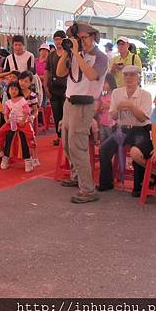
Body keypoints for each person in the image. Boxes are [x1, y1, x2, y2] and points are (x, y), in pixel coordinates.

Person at [56, 22, 108, 204]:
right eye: (78, 38)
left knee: (78, 146)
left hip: (85, 104)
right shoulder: (74, 54)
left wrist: (77, 54)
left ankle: (88, 189)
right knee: (67, 144)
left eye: (84, 37)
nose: (81, 41)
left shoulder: (100, 57)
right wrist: (66, 52)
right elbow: (60, 72)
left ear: (93, 36)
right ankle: (76, 175)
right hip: (69, 102)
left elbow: (92, 75)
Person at [97, 66, 152, 193]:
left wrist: (131, 106)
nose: (129, 78)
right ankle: (106, 182)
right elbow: (113, 116)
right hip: (121, 129)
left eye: (132, 75)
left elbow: (143, 118)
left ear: (138, 77)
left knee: (137, 150)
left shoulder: (146, 95)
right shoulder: (117, 92)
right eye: (126, 75)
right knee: (104, 148)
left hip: (140, 129)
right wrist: (119, 109)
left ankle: (139, 186)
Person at [0, 81, 36, 172]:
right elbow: (6, 113)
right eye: (11, 89)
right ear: (8, 90)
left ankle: (30, 158)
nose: (13, 91)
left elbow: (27, 111)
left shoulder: (22, 100)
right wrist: (7, 120)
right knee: (1, 132)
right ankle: (0, 152)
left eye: (16, 89)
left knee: (29, 135)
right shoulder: (8, 102)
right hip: (12, 122)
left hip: (23, 122)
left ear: (19, 90)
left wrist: (23, 120)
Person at [44, 30, 67, 146]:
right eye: (56, 39)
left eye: (60, 39)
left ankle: (65, 137)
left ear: (64, 40)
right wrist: (45, 87)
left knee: (66, 114)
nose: (58, 41)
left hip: (66, 89)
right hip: (53, 88)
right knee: (56, 113)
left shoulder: (68, 54)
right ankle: (59, 137)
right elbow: (47, 71)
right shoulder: (51, 55)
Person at [19, 70, 40, 167]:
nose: (23, 83)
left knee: (30, 138)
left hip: (28, 119)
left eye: (26, 81)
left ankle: (34, 157)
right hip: (17, 119)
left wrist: (32, 116)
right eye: (21, 80)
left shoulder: (32, 95)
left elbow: (36, 110)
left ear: (30, 83)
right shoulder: (16, 92)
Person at [95, 74, 117, 144]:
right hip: (102, 122)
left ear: (110, 83)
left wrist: (109, 106)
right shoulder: (102, 95)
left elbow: (117, 107)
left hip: (111, 123)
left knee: (110, 138)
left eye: (104, 83)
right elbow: (98, 109)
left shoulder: (114, 95)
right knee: (102, 137)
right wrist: (100, 108)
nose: (102, 85)